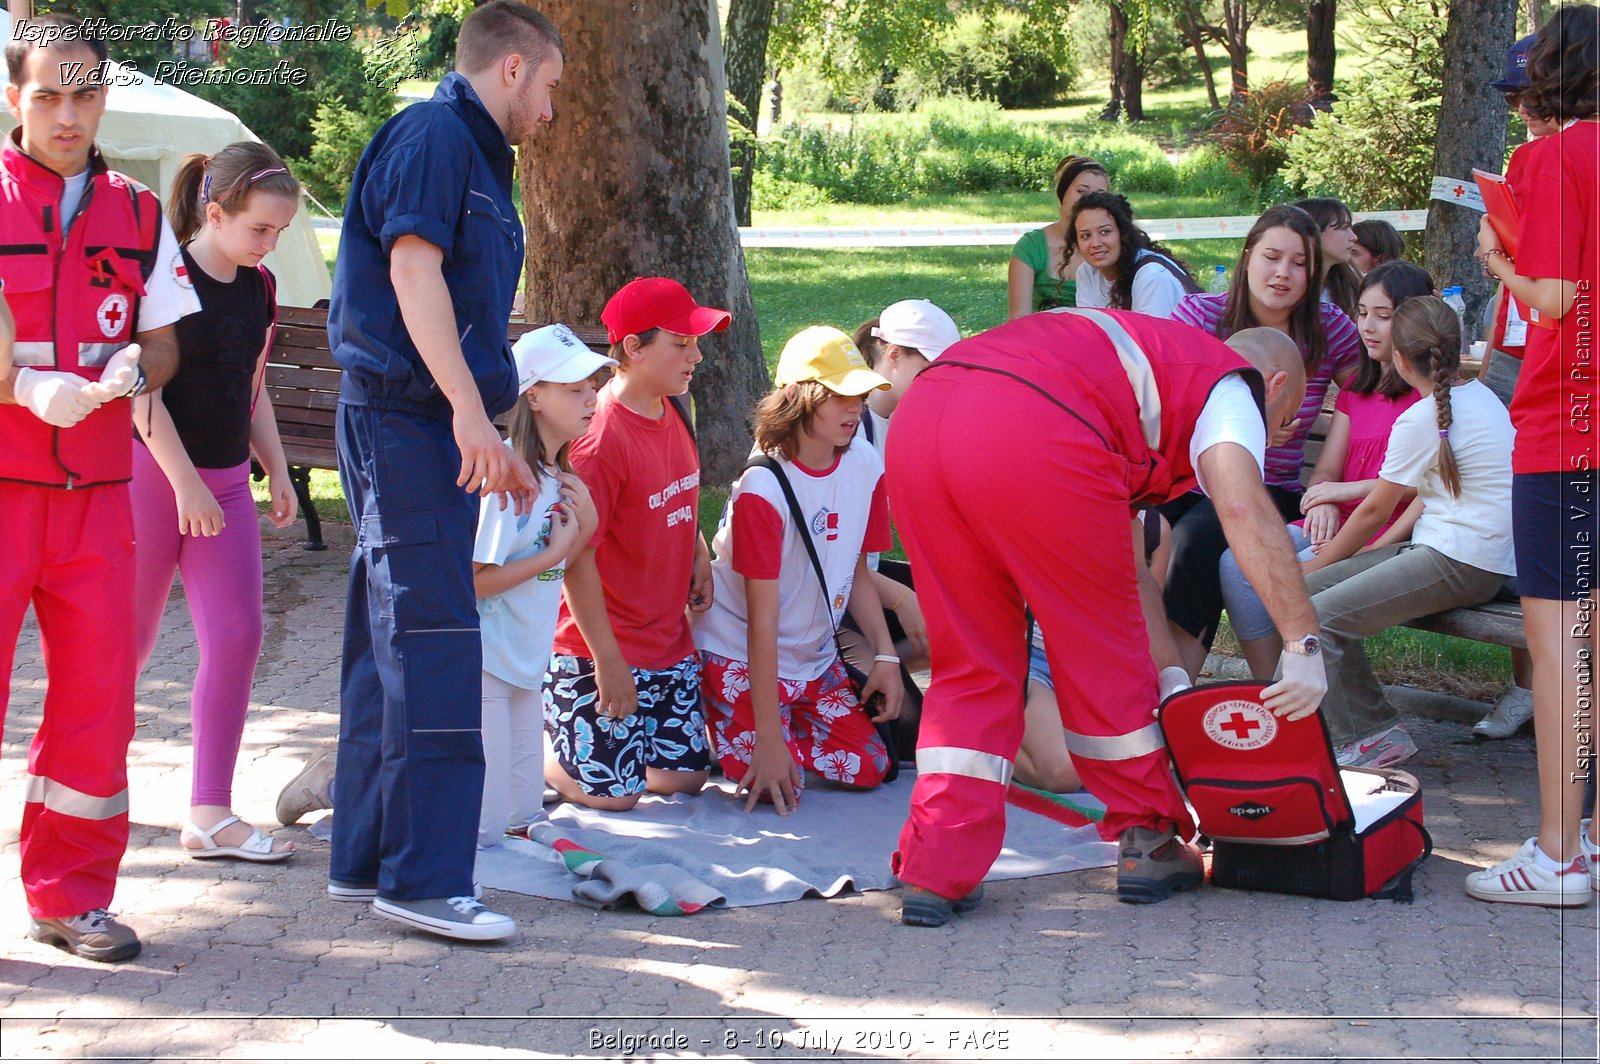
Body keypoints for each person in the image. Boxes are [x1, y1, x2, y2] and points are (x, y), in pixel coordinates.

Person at [886, 306, 1328, 926]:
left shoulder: (1122, 372)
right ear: (1273, 386)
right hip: (1032, 429)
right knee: (1100, 656)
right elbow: (1244, 507)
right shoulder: (1230, 388)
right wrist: (1303, 645)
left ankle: (935, 868)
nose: (1274, 439)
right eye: (1281, 426)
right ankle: (1148, 837)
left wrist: (1171, 673)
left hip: (923, 424)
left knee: (970, 662)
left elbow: (1125, 568)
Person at [326, 0, 564, 942]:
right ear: (512, 70)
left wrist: (487, 426)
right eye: (548, 88)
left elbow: (456, 308)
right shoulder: (434, 135)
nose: (549, 110)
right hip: (406, 420)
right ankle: (425, 881)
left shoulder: (470, 152)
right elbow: (413, 274)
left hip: (419, 423)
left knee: (388, 641)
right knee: (434, 640)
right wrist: (470, 413)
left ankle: (365, 858)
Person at [1, 13, 198, 963]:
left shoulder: (139, 210)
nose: (67, 114)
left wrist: (132, 373)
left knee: (96, 704)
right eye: (47, 94)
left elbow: (166, 338)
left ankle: (71, 897)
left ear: (104, 96)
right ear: (13, 97)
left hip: (99, 496)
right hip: (1, 488)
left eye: (84, 94)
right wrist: (28, 384)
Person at [129, 143, 301, 866]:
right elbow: (143, 394)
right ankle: (79, 787)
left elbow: (249, 383)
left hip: (226, 483)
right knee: (121, 649)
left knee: (237, 637)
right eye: (259, 229)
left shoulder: (256, 287)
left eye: (279, 234)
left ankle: (209, 812)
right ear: (215, 208)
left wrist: (278, 468)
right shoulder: (162, 278)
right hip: (150, 477)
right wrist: (185, 484)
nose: (268, 246)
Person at [1470, 3, 1600, 907]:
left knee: (1558, 645)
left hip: (1567, 426)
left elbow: (1552, 296)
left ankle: (1558, 853)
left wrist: (1498, 257)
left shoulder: (1552, 157)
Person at [694, 326, 903, 813]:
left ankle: (761, 730)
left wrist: (886, 657)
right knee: (772, 788)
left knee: (871, 768)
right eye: (838, 395)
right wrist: (768, 736)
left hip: (813, 657)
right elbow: (761, 621)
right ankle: (746, 725)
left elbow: (854, 571)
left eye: (860, 394)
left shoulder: (866, 462)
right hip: (739, 651)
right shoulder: (761, 489)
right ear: (795, 396)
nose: (855, 407)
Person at [1301, 297, 1515, 768]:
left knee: (1314, 615)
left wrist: (1320, 561)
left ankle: (1362, 736)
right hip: (1446, 551)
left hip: (1464, 562)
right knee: (1304, 600)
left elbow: (1373, 510)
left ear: (1399, 358)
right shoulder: (1475, 397)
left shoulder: (1422, 418)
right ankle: (1347, 728)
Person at [544, 277, 728, 811]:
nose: (695, 355)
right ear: (633, 347)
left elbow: (678, 491)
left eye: (695, 342)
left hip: (666, 643)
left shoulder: (674, 406)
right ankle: (531, 745)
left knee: (684, 779)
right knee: (615, 797)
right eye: (681, 342)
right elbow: (577, 560)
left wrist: (696, 551)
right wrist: (608, 660)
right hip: (597, 647)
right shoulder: (599, 439)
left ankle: (600, 746)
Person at [1164, 205, 1362, 677]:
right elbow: (1169, 401)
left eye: (1299, 264)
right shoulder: (1200, 315)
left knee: (1196, 541)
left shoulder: (1330, 327)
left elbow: (1369, 404)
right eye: (1272, 257)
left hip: (1268, 483)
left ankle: (1173, 691)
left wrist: (1331, 490)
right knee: (1144, 527)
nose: (1283, 273)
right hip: (1185, 476)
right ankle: (1140, 680)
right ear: (1248, 256)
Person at [1220, 261, 1430, 679]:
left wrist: (1340, 494)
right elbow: (1327, 470)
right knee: (1236, 563)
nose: (1368, 327)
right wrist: (1324, 503)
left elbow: (1421, 487)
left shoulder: (1427, 398)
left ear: (1412, 319)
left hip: (1390, 531)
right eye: (1362, 313)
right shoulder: (1357, 391)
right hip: (1340, 521)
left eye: (1383, 317)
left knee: (1285, 577)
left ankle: (1295, 687)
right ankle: (1270, 682)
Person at [473, 325, 609, 847]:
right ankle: (344, 786)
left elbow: (553, 570)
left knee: (524, 817)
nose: (592, 397)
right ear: (534, 394)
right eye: (575, 389)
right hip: (485, 664)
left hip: (528, 666)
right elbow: (475, 582)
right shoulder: (506, 477)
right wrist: (557, 551)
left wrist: (584, 531)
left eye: (592, 386)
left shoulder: (561, 478)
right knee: (483, 834)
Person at [1007, 156, 1109, 318]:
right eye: (1081, 191)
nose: (1089, 200)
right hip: (1042, 339)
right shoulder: (1031, 246)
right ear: (1062, 193)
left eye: (1099, 195)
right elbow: (1018, 317)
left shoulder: (1111, 246)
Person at [1068, 191, 1197, 319]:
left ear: (1123, 234)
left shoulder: (1152, 277)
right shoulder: (1087, 272)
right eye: (1085, 236)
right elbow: (1089, 328)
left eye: (1105, 232)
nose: (1095, 243)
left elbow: (1150, 337)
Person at [1293, 197, 1362, 321]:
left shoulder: (1348, 287)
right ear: (1314, 232)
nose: (1354, 237)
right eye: (1344, 227)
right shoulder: (1287, 292)